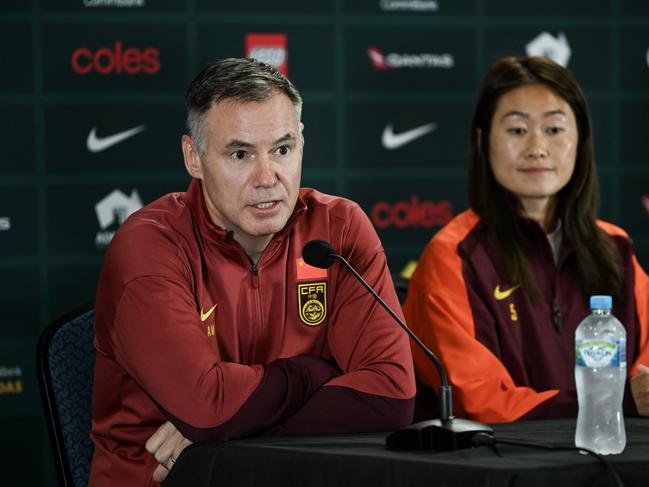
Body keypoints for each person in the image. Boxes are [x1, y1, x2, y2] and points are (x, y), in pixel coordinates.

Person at [89, 58, 415, 486]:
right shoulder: (149, 245)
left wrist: (226, 435)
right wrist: (315, 373)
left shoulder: (339, 228)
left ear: (301, 143)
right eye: (240, 154)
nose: (268, 177)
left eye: (282, 149)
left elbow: (391, 397)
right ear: (194, 157)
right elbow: (208, 408)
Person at [403, 56, 649, 424]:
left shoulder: (616, 247)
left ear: (580, 139)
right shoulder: (455, 256)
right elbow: (480, 401)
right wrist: (615, 403)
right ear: (482, 140)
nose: (537, 147)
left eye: (554, 130)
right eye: (517, 130)